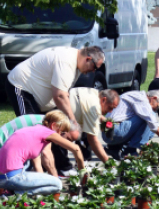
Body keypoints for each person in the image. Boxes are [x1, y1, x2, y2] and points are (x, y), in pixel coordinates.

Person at [6, 45, 105, 176]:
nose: (94, 71)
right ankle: (25, 171)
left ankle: (62, 167)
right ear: (88, 59)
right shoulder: (66, 62)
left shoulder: (75, 64)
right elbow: (59, 95)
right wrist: (72, 121)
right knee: (33, 130)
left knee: (57, 127)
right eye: (95, 67)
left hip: (41, 97)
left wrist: (66, 121)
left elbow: (63, 93)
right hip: (21, 87)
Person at [0, 110, 86, 196]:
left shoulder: (36, 129)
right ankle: (14, 195)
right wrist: (82, 171)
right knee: (57, 184)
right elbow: (75, 149)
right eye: (62, 133)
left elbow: (38, 165)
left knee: (37, 180)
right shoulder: (47, 132)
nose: (61, 136)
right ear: (54, 125)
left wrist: (42, 184)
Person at [0, 114, 81, 170]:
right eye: (68, 139)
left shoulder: (48, 123)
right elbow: (46, 157)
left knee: (27, 170)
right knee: (18, 179)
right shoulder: (44, 128)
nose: (67, 143)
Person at [57, 88, 120, 164]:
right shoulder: (95, 107)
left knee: (82, 134)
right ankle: (62, 168)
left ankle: (81, 163)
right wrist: (108, 162)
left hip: (60, 103)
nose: (110, 111)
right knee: (65, 138)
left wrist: (103, 120)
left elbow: (85, 108)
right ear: (104, 100)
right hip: (57, 116)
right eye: (110, 107)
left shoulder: (95, 93)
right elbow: (93, 140)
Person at [102, 89, 159, 159]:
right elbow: (151, 120)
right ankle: (130, 151)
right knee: (150, 117)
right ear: (154, 98)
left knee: (151, 132)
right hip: (114, 131)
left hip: (111, 132)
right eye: (157, 107)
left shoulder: (137, 96)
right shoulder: (142, 99)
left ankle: (114, 149)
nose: (156, 109)